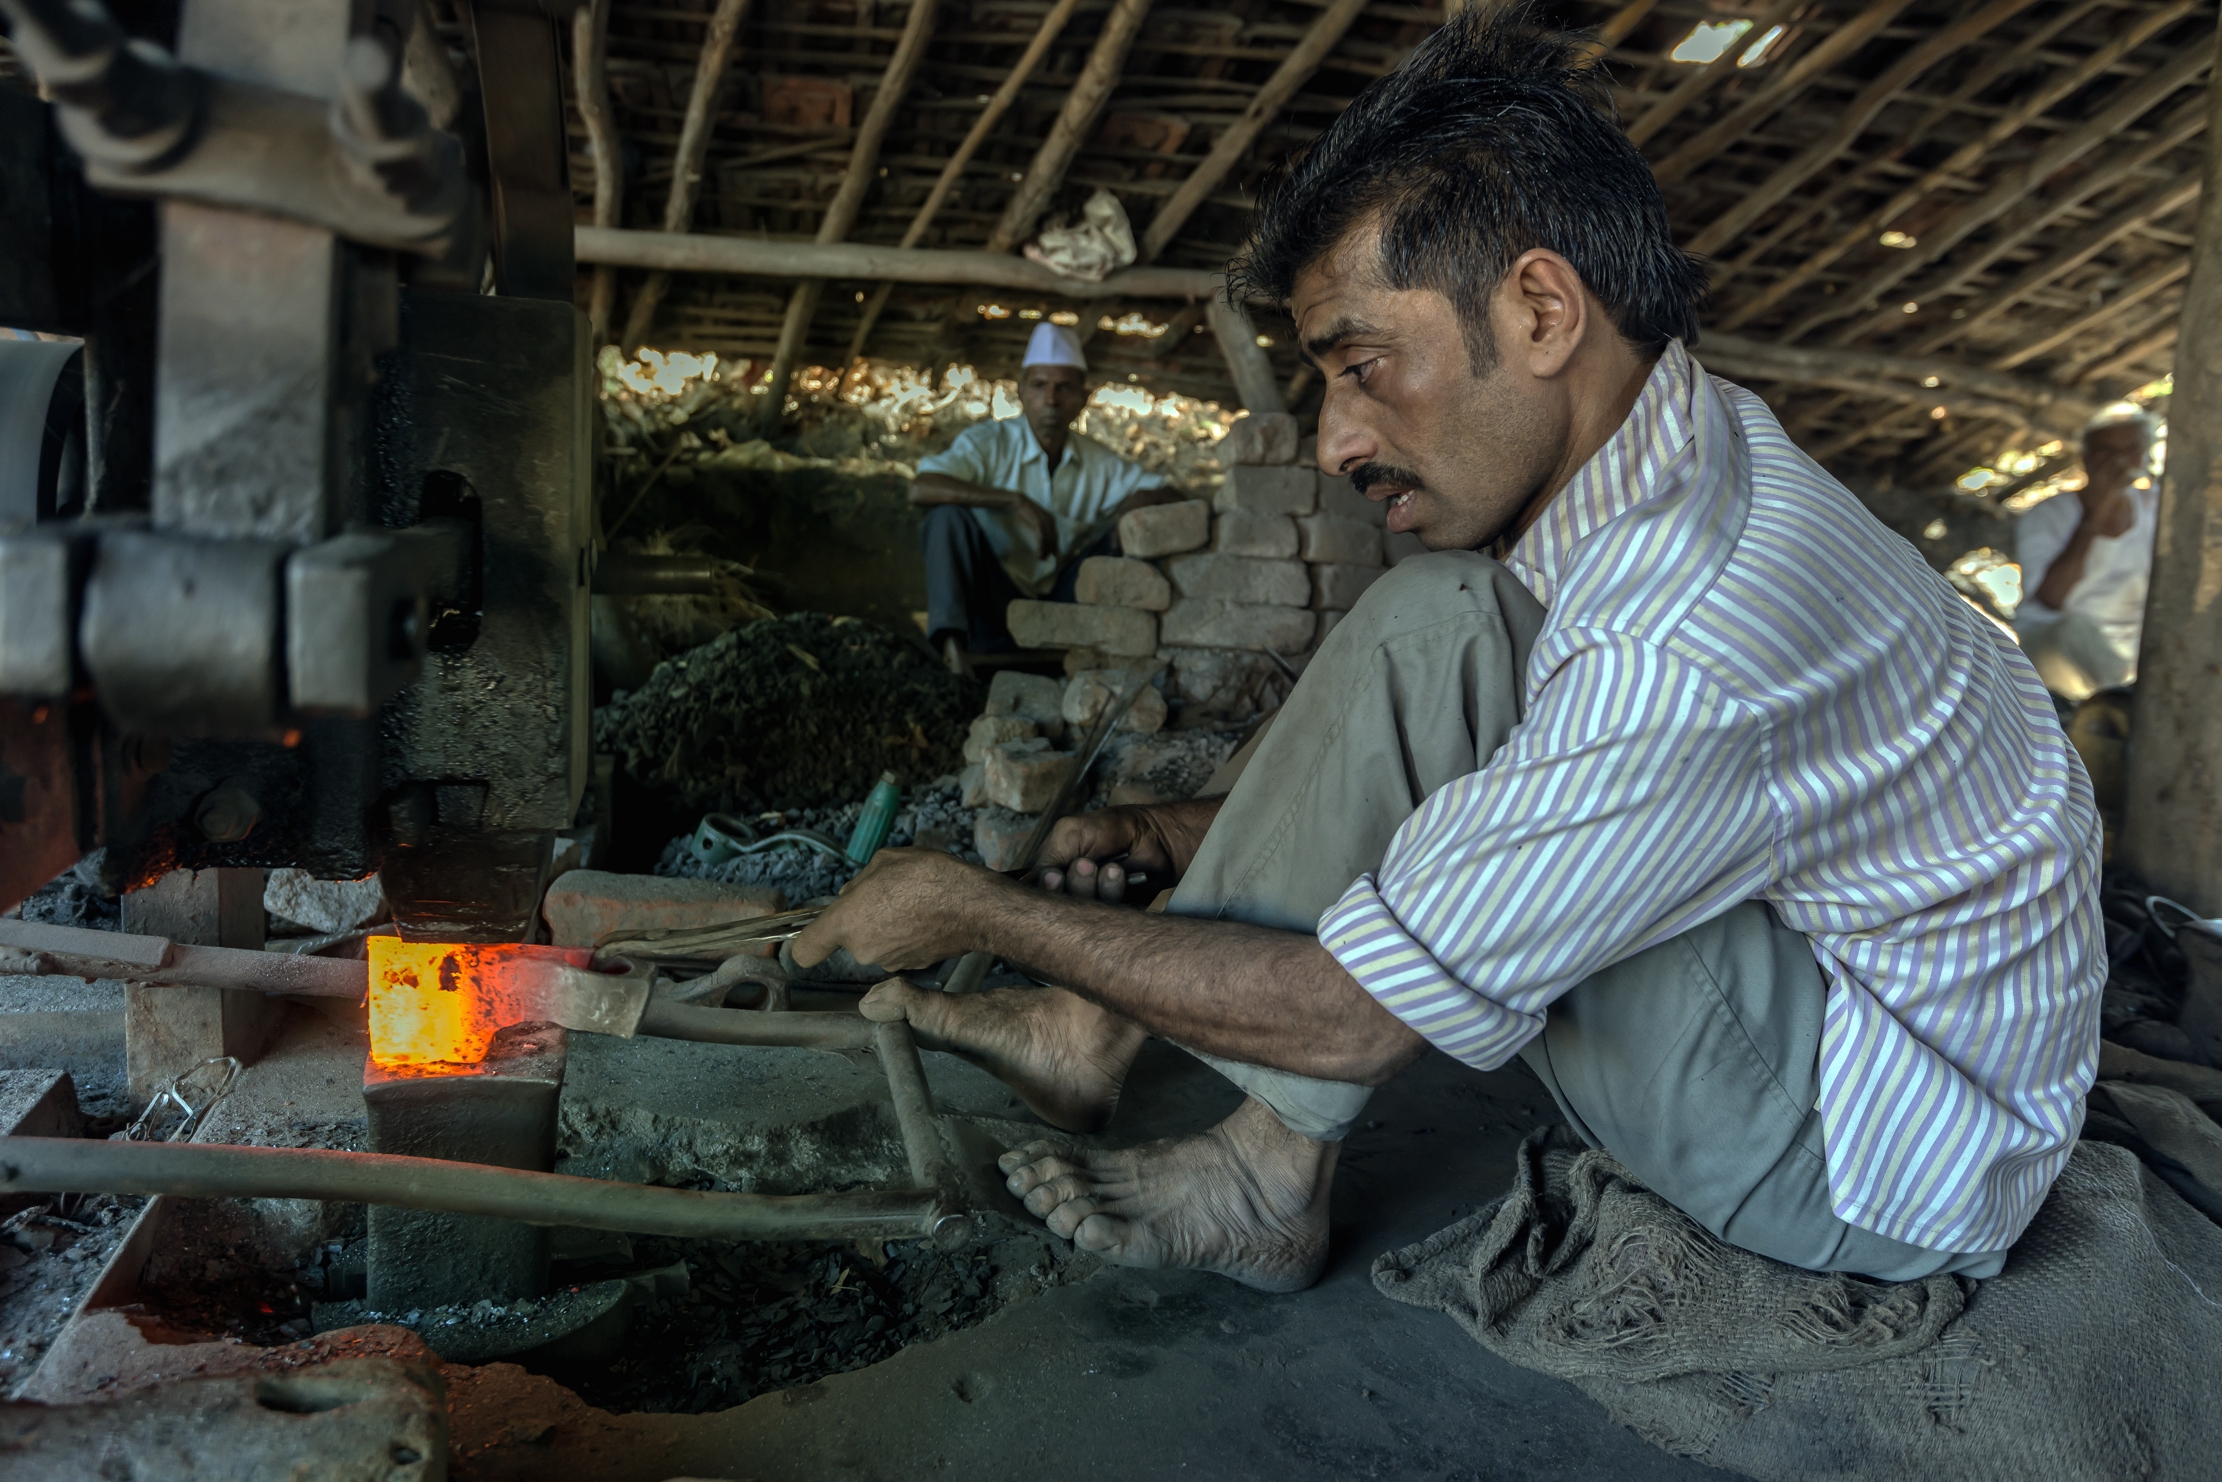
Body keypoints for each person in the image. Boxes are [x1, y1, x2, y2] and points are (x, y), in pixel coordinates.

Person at [796, 6, 2102, 1294]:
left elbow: (1353, 1013)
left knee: (1416, 930)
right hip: (1846, 996)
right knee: (1437, 613)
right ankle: (1085, 1034)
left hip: (1874, 1158)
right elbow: (1467, 705)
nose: (1333, 439)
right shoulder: (1690, 443)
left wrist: (974, 909)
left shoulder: (1687, 642)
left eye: (1362, 365)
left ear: (1540, 309)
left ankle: (1254, 1171)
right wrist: (1186, 829)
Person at [911, 322, 1180, 674]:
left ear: (1083, 397)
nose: (1051, 399)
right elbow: (921, 488)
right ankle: (954, 651)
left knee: (1127, 537)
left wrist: (1127, 515)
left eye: (1064, 388)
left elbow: (1170, 492)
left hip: (1065, 606)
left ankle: (1120, 653)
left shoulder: (1098, 462)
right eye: (1039, 386)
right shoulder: (988, 444)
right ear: (1021, 391)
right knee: (946, 518)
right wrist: (1013, 501)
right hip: (993, 603)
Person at [2014, 405, 2163, 702]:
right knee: (2071, 633)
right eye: (2105, 451)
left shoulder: (2157, 508)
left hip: (2135, 653)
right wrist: (2094, 516)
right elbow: (2051, 598)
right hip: (2062, 651)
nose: (2119, 460)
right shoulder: (2048, 515)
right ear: (2085, 459)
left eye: (2131, 449)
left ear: (2146, 456)